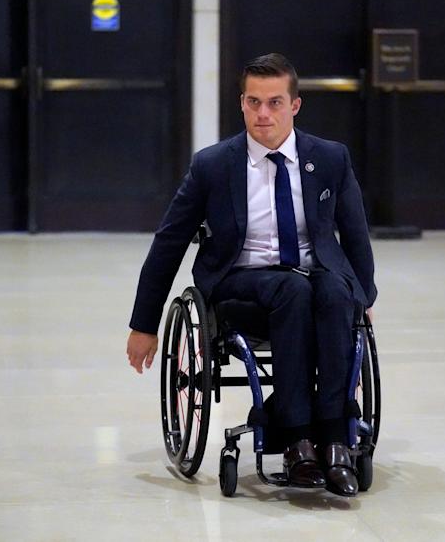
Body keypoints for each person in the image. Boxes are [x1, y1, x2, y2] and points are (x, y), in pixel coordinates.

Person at [127, 53, 376, 497]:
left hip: (313, 276)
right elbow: (168, 243)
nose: (264, 114)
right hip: (241, 284)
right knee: (293, 290)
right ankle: (298, 440)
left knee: (334, 295)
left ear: (295, 105)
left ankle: (336, 438)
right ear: (241, 103)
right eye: (254, 102)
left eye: (275, 102)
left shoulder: (331, 159)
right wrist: (144, 324)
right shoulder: (213, 166)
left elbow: (355, 237)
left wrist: (365, 297)